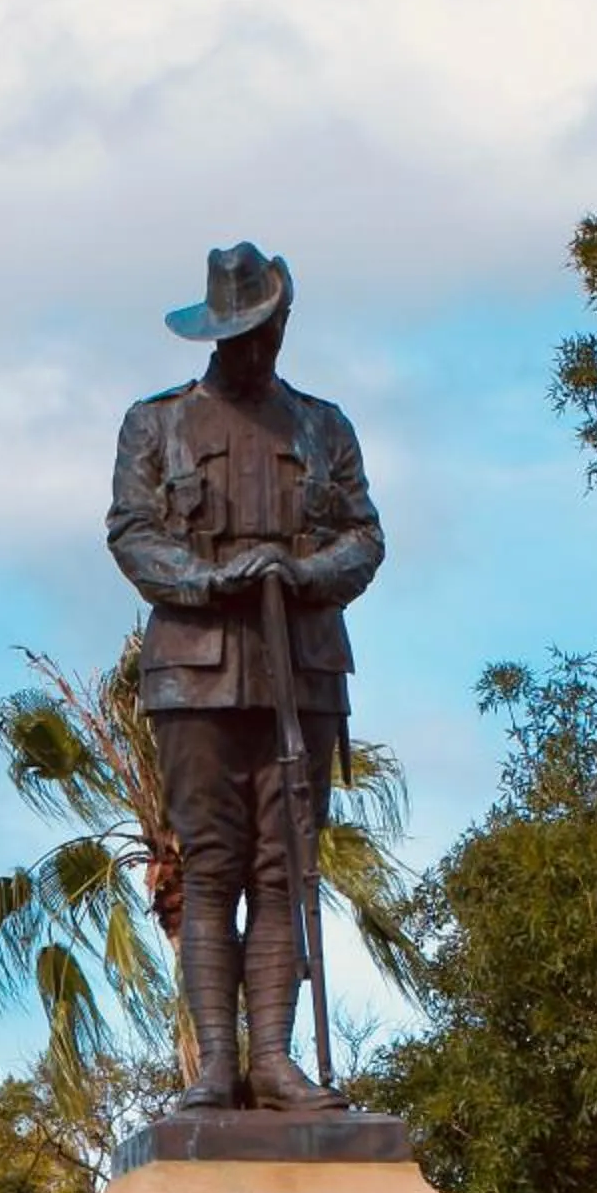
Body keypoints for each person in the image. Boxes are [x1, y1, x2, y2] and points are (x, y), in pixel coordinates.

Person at [107, 242, 384, 1110]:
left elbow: (364, 536)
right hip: (195, 671)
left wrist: (306, 575)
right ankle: (216, 1067)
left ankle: (275, 1060)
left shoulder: (324, 427)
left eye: (266, 330)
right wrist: (207, 581)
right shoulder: (156, 425)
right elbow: (132, 532)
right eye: (238, 333)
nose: (254, 346)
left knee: (285, 871)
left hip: (300, 669)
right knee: (215, 866)